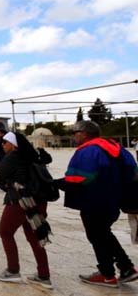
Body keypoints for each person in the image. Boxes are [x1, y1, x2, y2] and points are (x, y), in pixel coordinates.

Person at [59, 121, 138, 287]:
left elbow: (79, 178)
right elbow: (133, 172)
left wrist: (54, 183)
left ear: (84, 134)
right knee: (104, 233)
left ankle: (107, 274)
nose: (74, 136)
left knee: (97, 236)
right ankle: (126, 268)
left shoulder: (88, 151)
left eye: (75, 132)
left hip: (93, 202)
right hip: (114, 201)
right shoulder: (116, 148)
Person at [0, 132, 53, 289]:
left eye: (5, 142)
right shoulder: (33, 156)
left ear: (14, 145)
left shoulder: (13, 157)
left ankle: (13, 271)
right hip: (38, 201)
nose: (3, 145)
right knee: (35, 236)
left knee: (5, 232)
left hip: (21, 200)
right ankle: (43, 275)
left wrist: (7, 183)